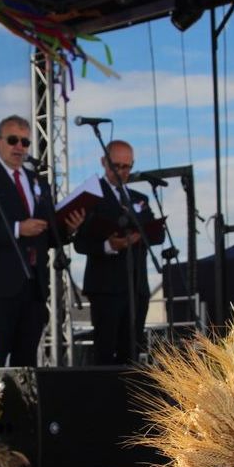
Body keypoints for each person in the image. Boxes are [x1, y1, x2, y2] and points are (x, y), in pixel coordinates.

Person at [0, 115, 84, 366]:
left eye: (25, 142)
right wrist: (18, 229)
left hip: (33, 289)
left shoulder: (39, 182)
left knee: (25, 365)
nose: (19, 147)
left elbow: (46, 235)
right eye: (13, 140)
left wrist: (68, 229)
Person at [73, 139, 165, 365]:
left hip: (137, 285)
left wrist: (139, 236)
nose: (121, 172)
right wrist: (109, 245)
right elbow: (80, 243)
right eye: (117, 166)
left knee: (132, 351)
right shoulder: (91, 196)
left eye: (127, 167)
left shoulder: (139, 199)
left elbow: (158, 235)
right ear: (104, 162)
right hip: (106, 287)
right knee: (105, 350)